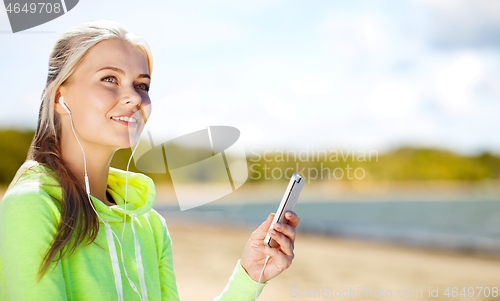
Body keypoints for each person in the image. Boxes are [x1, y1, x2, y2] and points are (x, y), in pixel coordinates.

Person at [0, 20, 300, 300]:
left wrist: (250, 275)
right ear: (58, 97)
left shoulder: (149, 225)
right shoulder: (32, 205)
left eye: (142, 85)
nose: (134, 97)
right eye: (109, 79)